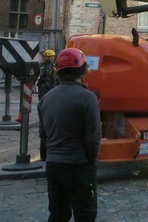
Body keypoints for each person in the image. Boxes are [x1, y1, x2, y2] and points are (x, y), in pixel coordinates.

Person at [38, 48, 101, 222]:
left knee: (58, 214)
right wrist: (92, 161)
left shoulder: (46, 99)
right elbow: (93, 137)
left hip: (54, 166)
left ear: (58, 71)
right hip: (79, 165)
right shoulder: (88, 98)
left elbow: (43, 135)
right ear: (83, 70)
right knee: (85, 214)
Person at [37, 49, 60, 161]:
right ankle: (46, 155)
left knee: (44, 127)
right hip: (49, 95)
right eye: (47, 57)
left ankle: (44, 156)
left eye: (49, 56)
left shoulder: (50, 67)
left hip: (46, 96)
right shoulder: (47, 67)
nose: (48, 58)